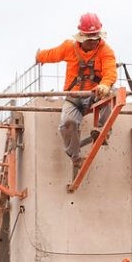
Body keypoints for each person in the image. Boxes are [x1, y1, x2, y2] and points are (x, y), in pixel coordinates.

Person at [36, 12, 118, 177]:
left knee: (112, 95)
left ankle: (103, 131)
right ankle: (75, 156)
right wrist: (39, 56)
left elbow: (110, 71)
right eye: (89, 38)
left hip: (95, 94)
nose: (92, 42)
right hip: (75, 97)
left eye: (95, 38)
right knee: (68, 123)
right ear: (82, 37)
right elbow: (53, 54)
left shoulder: (105, 51)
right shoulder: (69, 47)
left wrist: (104, 85)